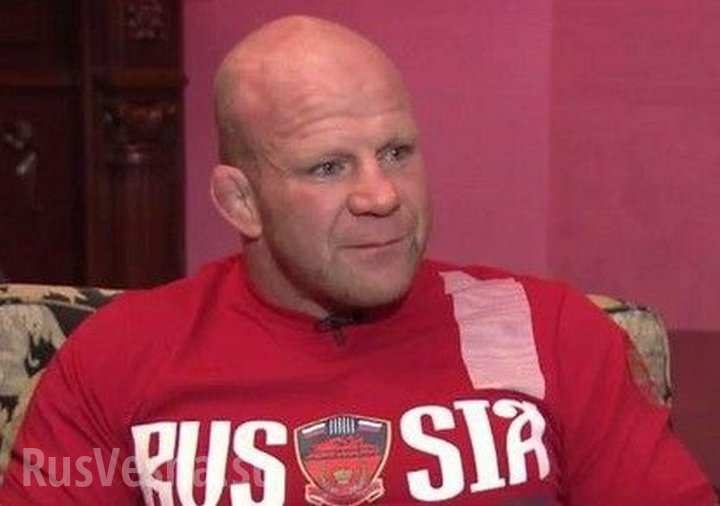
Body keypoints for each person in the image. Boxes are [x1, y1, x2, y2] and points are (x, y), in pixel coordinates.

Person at [0, 15, 714, 506]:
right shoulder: (121, 357)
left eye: (397, 152)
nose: (382, 195)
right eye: (328, 166)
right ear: (241, 201)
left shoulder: (550, 331)